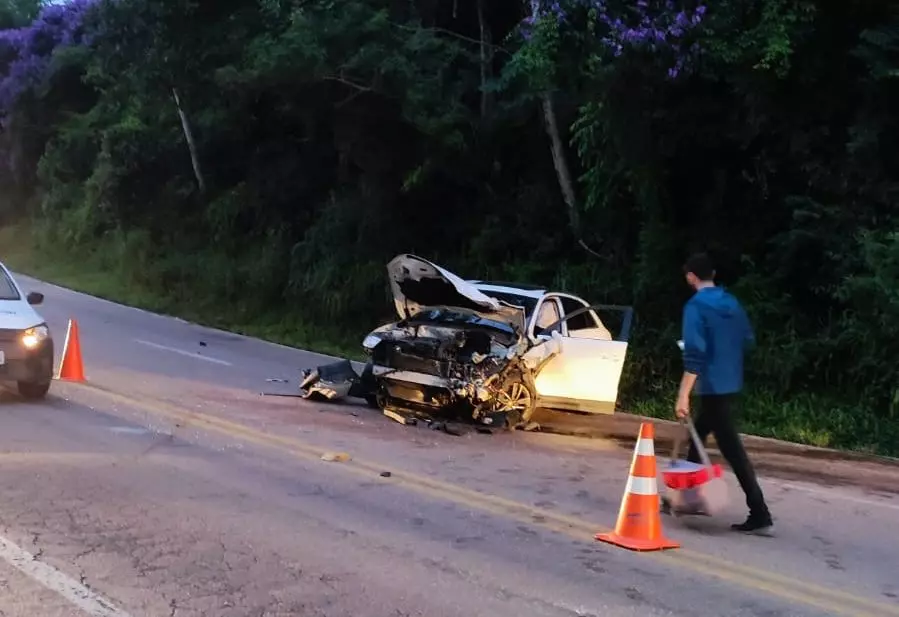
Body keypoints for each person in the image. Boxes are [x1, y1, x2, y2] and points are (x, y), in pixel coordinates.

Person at [671, 252, 773, 534]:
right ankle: (685, 498)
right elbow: (747, 338)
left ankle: (760, 512)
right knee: (699, 433)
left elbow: (695, 354)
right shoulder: (731, 302)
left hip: (713, 386)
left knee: (733, 450)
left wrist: (683, 396)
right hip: (731, 383)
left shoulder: (695, 307)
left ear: (691, 276)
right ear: (712, 275)